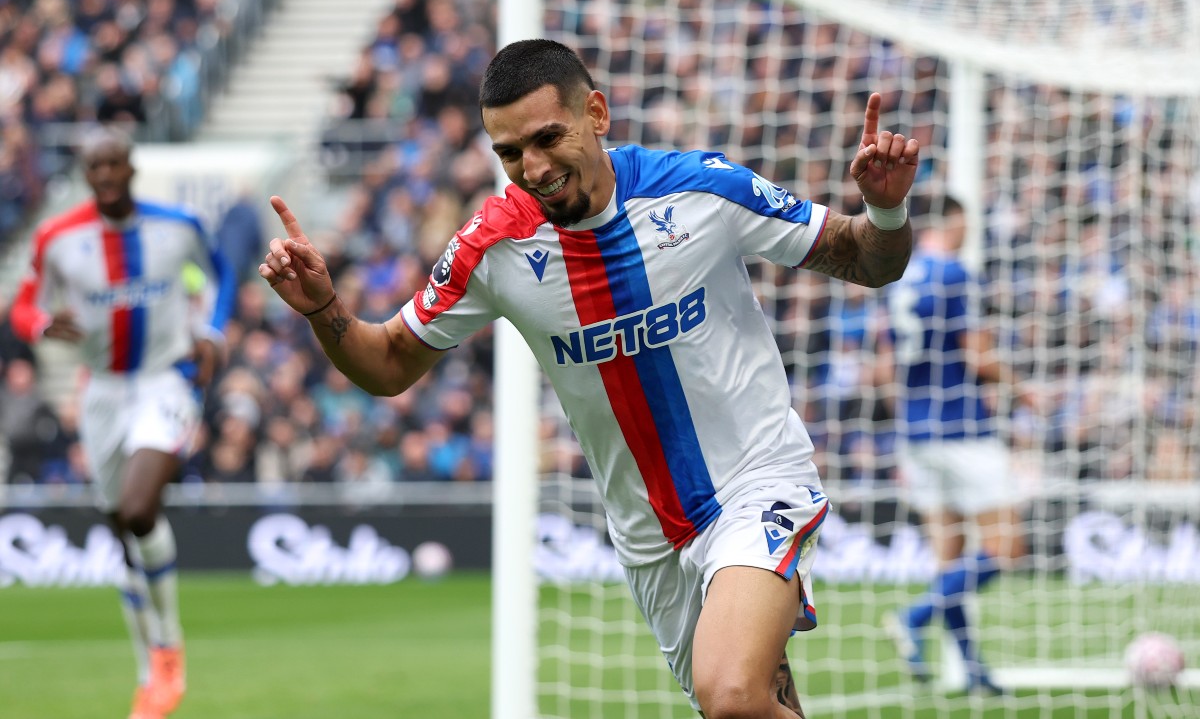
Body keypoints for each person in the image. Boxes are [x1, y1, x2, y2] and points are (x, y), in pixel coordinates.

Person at [259, 38, 919, 717]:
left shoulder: (699, 188)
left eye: (548, 137)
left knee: (733, 694)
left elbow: (864, 259)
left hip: (756, 482)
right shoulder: (492, 246)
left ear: (596, 113)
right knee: (755, 704)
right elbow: (389, 362)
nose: (534, 168)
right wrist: (324, 308)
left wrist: (887, 212)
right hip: (648, 534)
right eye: (511, 153)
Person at [9, 125, 236, 719]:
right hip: (101, 393)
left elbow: (221, 274)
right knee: (122, 533)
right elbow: (25, 301)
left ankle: (168, 645)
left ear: (131, 166)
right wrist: (38, 326)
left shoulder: (177, 226)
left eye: (115, 163)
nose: (106, 175)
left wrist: (209, 333)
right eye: (95, 167)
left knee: (138, 511)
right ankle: (149, 671)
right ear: (86, 176)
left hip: (164, 379)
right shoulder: (60, 238)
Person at [881, 193, 1032, 696]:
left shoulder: (899, 277)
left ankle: (972, 670)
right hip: (962, 426)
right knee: (1006, 545)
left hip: (915, 430)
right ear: (954, 223)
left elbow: (884, 365)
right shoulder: (955, 275)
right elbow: (978, 355)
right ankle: (914, 616)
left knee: (952, 559)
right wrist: (1023, 390)